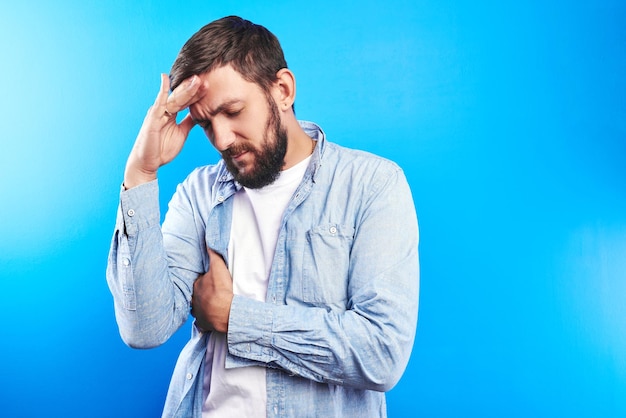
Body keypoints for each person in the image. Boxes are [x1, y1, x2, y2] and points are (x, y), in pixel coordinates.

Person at [106, 15, 419, 418]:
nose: (220, 140)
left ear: (283, 90)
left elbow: (381, 353)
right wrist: (142, 173)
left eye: (233, 111)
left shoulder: (372, 185)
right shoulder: (200, 193)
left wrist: (235, 317)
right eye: (205, 124)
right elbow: (144, 328)